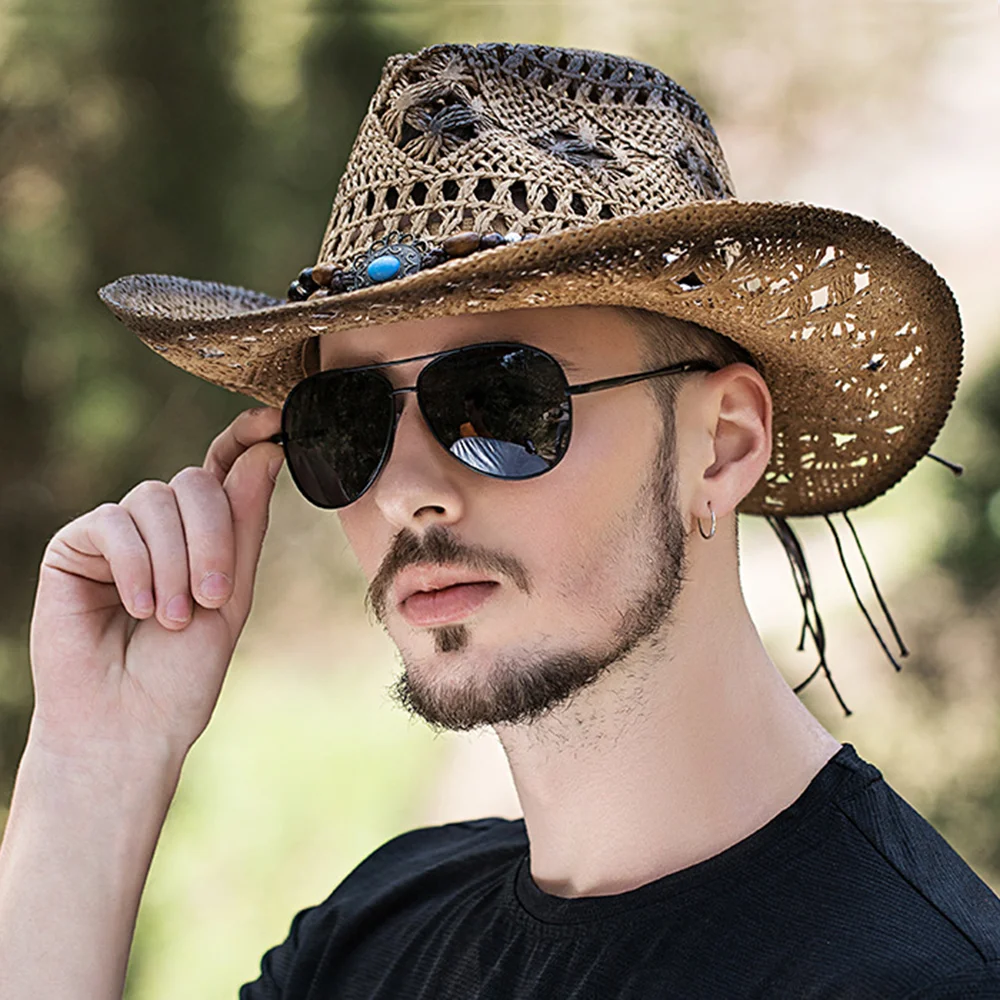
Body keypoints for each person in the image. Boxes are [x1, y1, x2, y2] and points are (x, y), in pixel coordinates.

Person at [1, 41, 998, 999]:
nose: (403, 490)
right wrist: (94, 768)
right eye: (345, 422)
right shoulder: (376, 931)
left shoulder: (920, 979)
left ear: (723, 444)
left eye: (499, 402)